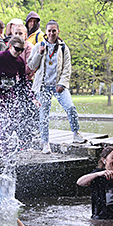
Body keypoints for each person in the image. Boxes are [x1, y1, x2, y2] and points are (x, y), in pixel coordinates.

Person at [28, 20, 84, 153]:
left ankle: (76, 133)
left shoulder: (64, 48)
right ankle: (45, 143)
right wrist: (39, 53)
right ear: (45, 33)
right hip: (43, 87)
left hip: (58, 85)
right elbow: (31, 66)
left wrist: (62, 84)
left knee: (70, 107)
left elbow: (67, 68)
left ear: (58, 31)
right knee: (43, 115)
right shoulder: (38, 46)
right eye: (49, 31)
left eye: (54, 30)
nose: (52, 33)